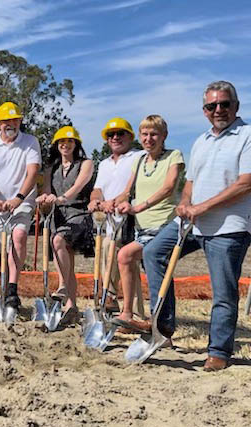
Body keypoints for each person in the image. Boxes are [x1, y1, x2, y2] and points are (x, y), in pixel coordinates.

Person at [143, 81, 251, 371]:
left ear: (235, 106)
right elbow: (189, 182)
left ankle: (218, 351)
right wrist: (186, 203)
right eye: (211, 106)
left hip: (228, 227)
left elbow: (246, 183)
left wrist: (204, 207)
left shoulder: (247, 135)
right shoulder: (201, 140)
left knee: (223, 291)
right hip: (190, 222)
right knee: (153, 253)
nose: (218, 110)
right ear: (204, 111)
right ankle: (162, 327)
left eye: (224, 104)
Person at [111, 115, 184, 332]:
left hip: (165, 226)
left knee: (150, 269)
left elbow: (169, 187)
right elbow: (127, 191)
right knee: (125, 257)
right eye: (145, 134)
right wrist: (113, 202)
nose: (149, 138)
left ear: (164, 136)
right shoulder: (140, 160)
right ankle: (128, 314)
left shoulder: (174, 156)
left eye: (154, 134)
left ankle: (160, 325)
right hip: (142, 229)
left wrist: (140, 206)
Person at [0, 102, 41, 309]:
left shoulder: (30, 142)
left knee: (19, 236)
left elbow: (32, 172)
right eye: (6, 121)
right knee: (1, 252)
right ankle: (5, 291)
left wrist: (19, 198)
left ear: (20, 121)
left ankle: (13, 289)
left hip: (21, 203)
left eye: (15, 120)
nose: (11, 124)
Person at [36, 125, 94, 323]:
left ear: (76, 144)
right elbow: (45, 190)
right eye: (62, 142)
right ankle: (71, 307)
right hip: (58, 215)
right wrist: (44, 199)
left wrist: (62, 198)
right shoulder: (51, 169)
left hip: (79, 214)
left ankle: (61, 286)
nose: (65, 145)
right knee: (66, 258)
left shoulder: (86, 164)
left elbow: (79, 185)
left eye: (69, 141)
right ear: (56, 145)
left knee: (59, 240)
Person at [87, 117, 143, 313]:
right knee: (110, 252)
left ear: (130, 136)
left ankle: (109, 297)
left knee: (112, 250)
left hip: (131, 220)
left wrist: (114, 202)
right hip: (109, 221)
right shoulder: (104, 164)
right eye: (111, 134)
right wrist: (95, 201)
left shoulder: (140, 157)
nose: (116, 137)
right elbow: (98, 189)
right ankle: (120, 306)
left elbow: (133, 188)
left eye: (121, 133)